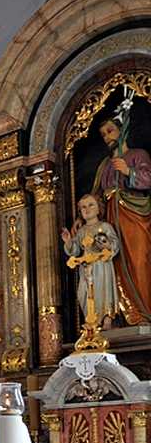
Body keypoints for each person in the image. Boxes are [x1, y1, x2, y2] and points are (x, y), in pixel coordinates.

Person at [91, 117, 151, 321]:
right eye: (104, 134)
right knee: (114, 265)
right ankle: (129, 314)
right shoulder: (104, 166)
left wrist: (128, 171)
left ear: (122, 129)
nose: (107, 137)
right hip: (111, 220)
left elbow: (149, 178)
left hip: (134, 215)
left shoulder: (137, 155)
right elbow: (96, 196)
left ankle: (146, 311)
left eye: (110, 130)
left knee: (139, 260)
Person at [61, 193, 120, 329]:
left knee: (102, 290)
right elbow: (75, 250)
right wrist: (69, 241)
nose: (87, 209)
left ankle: (106, 319)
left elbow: (114, 244)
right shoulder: (81, 231)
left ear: (99, 208)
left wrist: (105, 243)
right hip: (87, 267)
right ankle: (92, 321)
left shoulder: (105, 226)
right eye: (83, 207)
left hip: (102, 265)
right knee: (83, 293)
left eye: (91, 205)